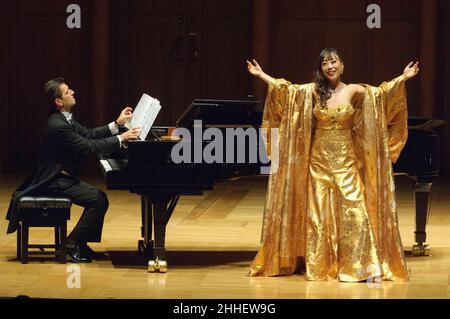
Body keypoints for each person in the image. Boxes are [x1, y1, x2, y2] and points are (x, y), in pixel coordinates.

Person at [246, 48, 419, 282]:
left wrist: (403, 78)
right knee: (318, 217)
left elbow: (382, 95)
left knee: (356, 210)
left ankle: (361, 267)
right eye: (325, 63)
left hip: (346, 162)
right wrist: (262, 75)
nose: (330, 66)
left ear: (342, 65)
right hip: (318, 163)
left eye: (333, 61)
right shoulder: (314, 92)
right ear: (321, 69)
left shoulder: (353, 90)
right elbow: (287, 92)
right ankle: (320, 266)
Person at [5, 77, 142, 263]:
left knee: (98, 198)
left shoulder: (65, 118)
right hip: (52, 180)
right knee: (98, 199)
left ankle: (80, 244)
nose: (73, 92)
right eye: (68, 91)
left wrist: (116, 124)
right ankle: (72, 244)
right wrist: (121, 138)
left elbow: (89, 134)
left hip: (60, 176)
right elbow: (89, 146)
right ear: (59, 101)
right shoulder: (57, 125)